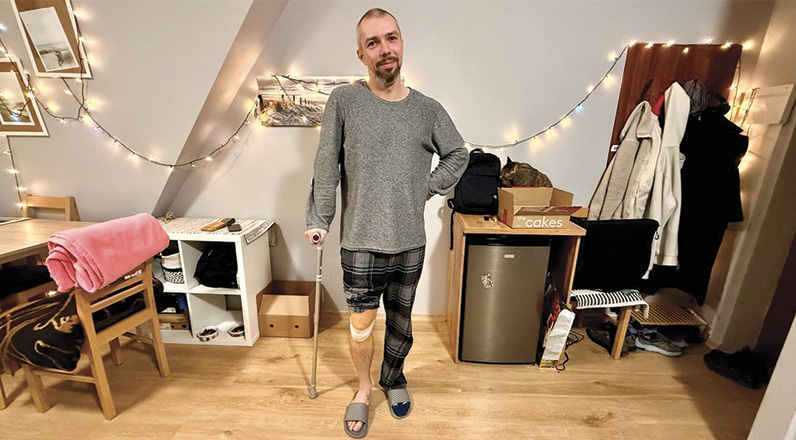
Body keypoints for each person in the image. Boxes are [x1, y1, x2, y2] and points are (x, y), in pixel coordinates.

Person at [304, 8, 468, 438]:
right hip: (359, 240)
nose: (384, 49)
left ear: (402, 43)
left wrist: (424, 188)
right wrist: (320, 217)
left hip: (409, 241)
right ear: (361, 54)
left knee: (400, 324)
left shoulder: (428, 109)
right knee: (361, 328)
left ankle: (393, 378)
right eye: (373, 42)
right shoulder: (344, 101)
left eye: (391, 38)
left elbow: (458, 153)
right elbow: (326, 165)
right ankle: (362, 389)